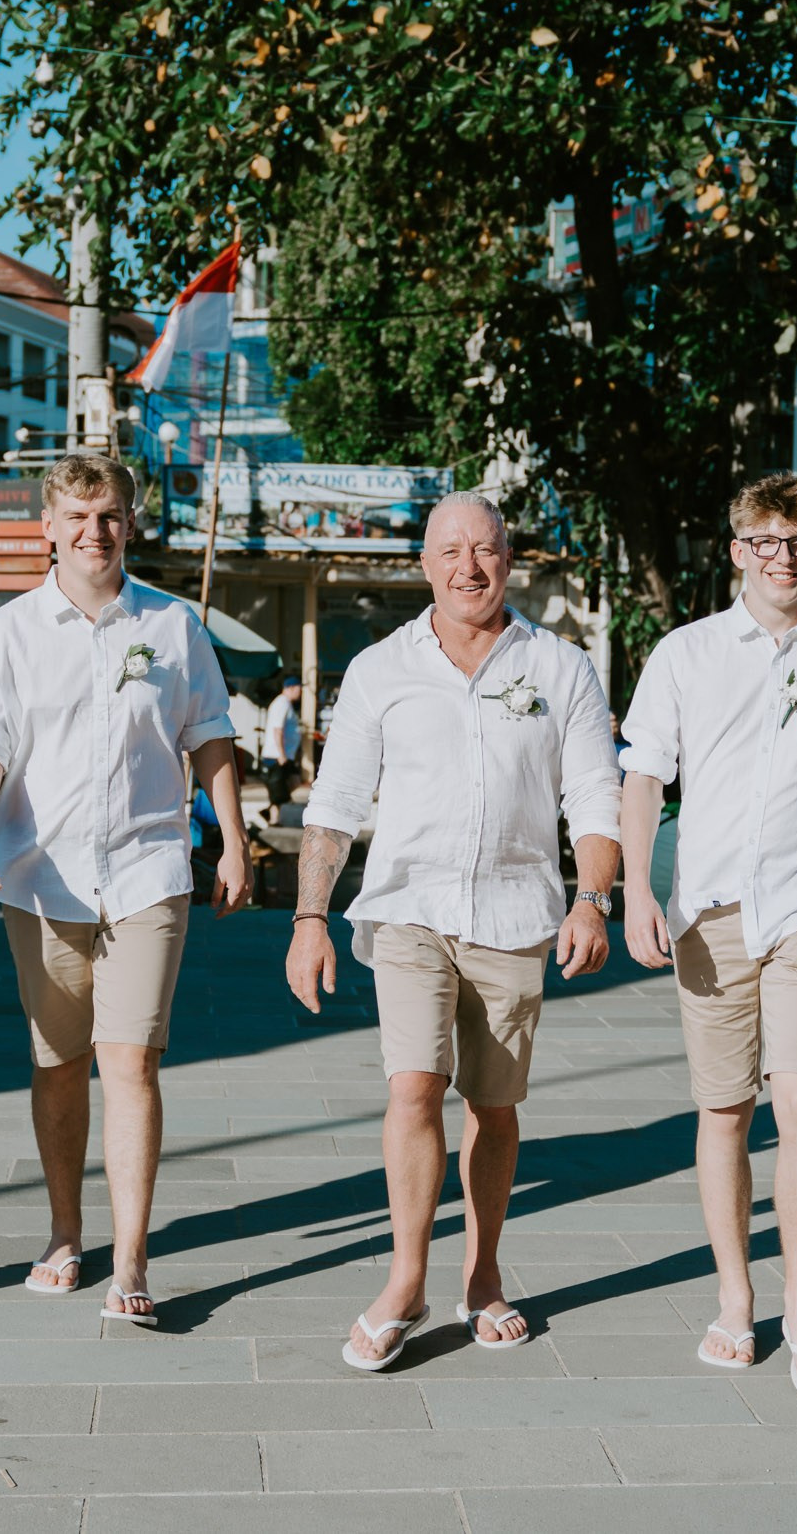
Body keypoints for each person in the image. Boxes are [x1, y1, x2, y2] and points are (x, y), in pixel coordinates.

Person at [286, 491, 621, 1372]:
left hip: (515, 912)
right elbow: (335, 805)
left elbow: (594, 791)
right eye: (450, 551)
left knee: (494, 1104)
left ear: (510, 557)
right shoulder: (380, 669)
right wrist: (310, 917)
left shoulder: (562, 667)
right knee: (414, 1086)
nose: (469, 566)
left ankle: (483, 1273)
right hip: (409, 907)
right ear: (424, 564)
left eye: (485, 548)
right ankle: (406, 1280)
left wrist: (592, 898)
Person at [618, 473, 797, 1399]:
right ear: (739, 550)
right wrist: (635, 888)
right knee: (723, 1110)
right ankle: (735, 1296)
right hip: (707, 912)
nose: (786, 557)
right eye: (769, 541)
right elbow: (642, 776)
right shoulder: (685, 653)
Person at [0, 453, 252, 1326]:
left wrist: (233, 841)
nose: (96, 531)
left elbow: (210, 735)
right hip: (39, 878)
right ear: (47, 527)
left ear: (130, 523)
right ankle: (64, 1230)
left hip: (149, 869)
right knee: (57, 1063)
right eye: (79, 517)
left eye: (111, 514)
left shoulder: (173, 624)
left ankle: (130, 1258)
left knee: (131, 1060)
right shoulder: (9, 632)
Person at [261, 674, 303, 818]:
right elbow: (277, 729)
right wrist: (281, 754)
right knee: (278, 788)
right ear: (291, 688)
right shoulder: (282, 703)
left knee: (294, 781)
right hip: (277, 754)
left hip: (285, 754)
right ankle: (273, 818)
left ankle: (269, 811)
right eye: (299, 690)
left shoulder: (286, 704)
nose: (300, 693)